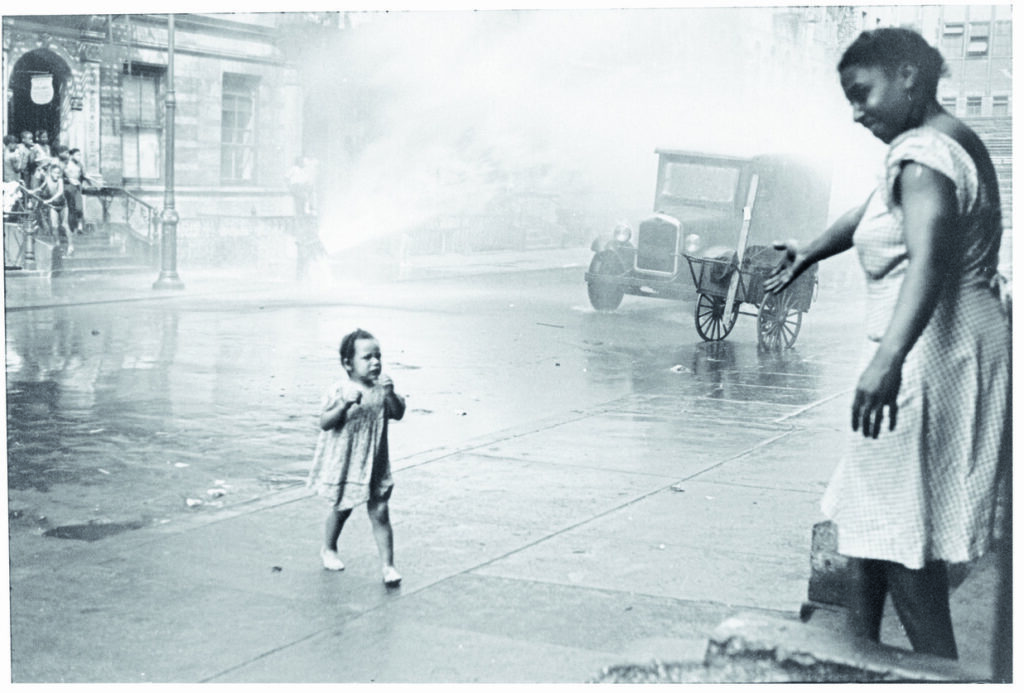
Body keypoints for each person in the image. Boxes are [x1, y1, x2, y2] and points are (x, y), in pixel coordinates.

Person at [765, 28, 1010, 660]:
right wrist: (812, 247)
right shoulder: (933, 144)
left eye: (862, 93)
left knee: (899, 533)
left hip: (928, 351)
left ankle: (937, 673)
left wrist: (886, 359)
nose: (855, 112)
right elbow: (874, 210)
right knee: (865, 517)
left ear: (907, 75)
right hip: (944, 346)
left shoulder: (924, 157)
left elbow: (928, 258)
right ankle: (858, 652)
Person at [306, 328, 406, 585]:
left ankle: (388, 566)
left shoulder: (382, 388)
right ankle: (329, 547)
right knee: (342, 508)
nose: (375, 362)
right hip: (347, 462)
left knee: (381, 511)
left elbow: (397, 413)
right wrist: (343, 405)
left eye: (378, 356)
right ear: (348, 364)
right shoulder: (340, 390)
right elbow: (325, 423)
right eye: (367, 358)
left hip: (375, 462)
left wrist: (391, 394)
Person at [32, 161, 73, 255]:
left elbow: (60, 192)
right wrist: (33, 191)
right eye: (55, 173)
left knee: (64, 225)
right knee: (54, 226)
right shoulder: (47, 179)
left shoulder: (60, 180)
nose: (57, 175)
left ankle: (71, 246)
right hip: (53, 206)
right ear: (50, 173)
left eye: (58, 173)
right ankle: (57, 246)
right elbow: (41, 188)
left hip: (63, 206)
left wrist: (49, 200)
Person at [62, 147, 92, 234]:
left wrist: (90, 182)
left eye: (80, 155)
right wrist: (67, 180)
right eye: (77, 155)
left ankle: (80, 227)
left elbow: (84, 175)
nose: (79, 157)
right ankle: (71, 228)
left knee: (79, 207)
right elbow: (61, 175)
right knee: (70, 208)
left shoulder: (80, 165)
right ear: (71, 155)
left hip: (77, 187)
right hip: (68, 187)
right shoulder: (66, 164)